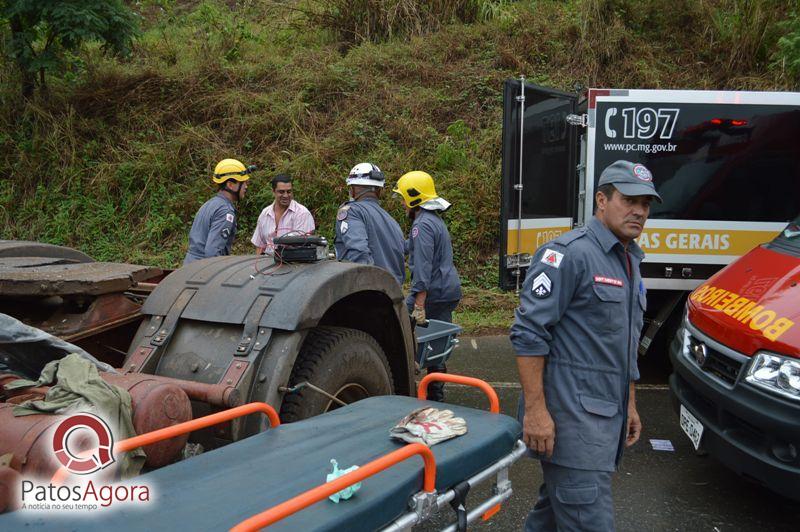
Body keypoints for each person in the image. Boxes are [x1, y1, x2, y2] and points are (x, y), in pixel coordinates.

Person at [510, 160, 660, 531]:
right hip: (571, 426)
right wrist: (535, 413)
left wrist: (630, 403)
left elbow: (621, 344)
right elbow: (529, 334)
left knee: (551, 516)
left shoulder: (629, 259)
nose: (639, 211)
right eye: (629, 200)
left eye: (645, 203)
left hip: (603, 422)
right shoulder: (568, 254)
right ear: (601, 200)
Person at [394, 170, 462, 402]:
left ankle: (433, 396)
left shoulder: (421, 225)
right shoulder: (432, 220)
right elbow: (412, 247)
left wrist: (419, 303)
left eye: (403, 198)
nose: (402, 203)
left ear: (414, 198)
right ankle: (434, 393)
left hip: (433, 292)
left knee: (401, 325)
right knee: (437, 342)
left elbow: (422, 267)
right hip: (445, 289)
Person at [334, 162, 405, 286]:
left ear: (352, 189)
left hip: (369, 291)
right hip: (393, 292)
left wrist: (366, 289)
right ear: (379, 191)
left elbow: (359, 252)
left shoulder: (352, 212)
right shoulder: (391, 220)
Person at [184, 158, 255, 265]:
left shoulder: (210, 204)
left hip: (190, 266)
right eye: (243, 183)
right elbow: (213, 253)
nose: (246, 186)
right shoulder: (225, 212)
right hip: (203, 271)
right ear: (230, 184)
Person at [251, 173, 315, 255]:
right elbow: (260, 246)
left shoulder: (302, 214)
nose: (286, 195)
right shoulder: (265, 214)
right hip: (267, 263)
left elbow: (302, 247)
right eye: (281, 192)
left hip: (293, 264)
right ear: (273, 191)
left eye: (289, 192)